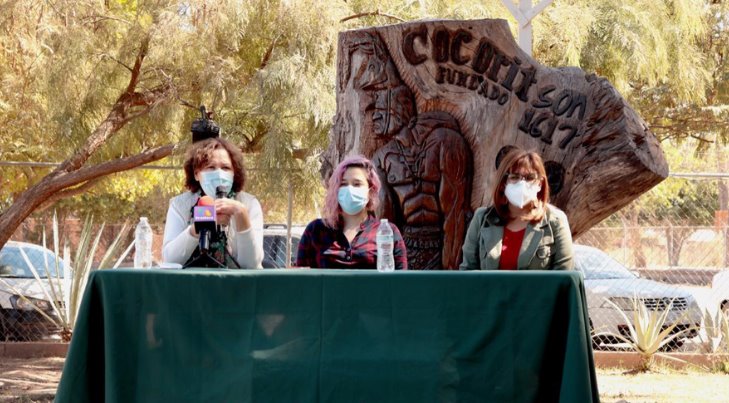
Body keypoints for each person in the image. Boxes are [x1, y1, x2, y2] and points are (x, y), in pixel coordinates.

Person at [460, 147, 574, 271]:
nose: (522, 184)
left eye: (530, 178)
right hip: (491, 291)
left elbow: (564, 276)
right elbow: (467, 271)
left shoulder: (556, 220)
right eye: (515, 177)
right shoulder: (482, 218)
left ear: (540, 184)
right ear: (503, 184)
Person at [162, 138, 263, 269]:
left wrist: (241, 216)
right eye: (211, 167)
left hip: (236, 286)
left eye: (226, 168)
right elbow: (169, 260)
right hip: (191, 285)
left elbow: (251, 265)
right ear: (197, 174)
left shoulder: (249, 204)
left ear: (234, 173)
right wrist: (198, 227)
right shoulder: (180, 205)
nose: (219, 173)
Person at [296, 155, 408, 269]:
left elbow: (400, 281)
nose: (349, 189)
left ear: (370, 191)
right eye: (343, 184)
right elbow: (302, 280)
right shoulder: (315, 230)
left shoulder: (387, 231)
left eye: (357, 184)